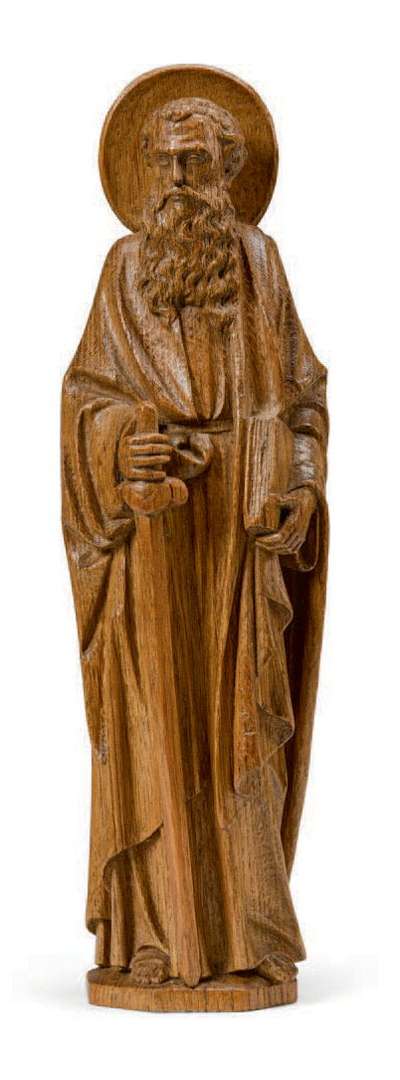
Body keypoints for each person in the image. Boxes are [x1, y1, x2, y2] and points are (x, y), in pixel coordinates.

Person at [62, 81, 328, 990]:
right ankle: (155, 937)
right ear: (142, 174)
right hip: (154, 540)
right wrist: (119, 446)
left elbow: (303, 396)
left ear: (229, 171)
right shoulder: (121, 270)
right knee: (151, 735)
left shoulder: (260, 263)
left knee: (243, 739)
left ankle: (245, 937)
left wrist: (300, 480)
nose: (178, 180)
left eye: (197, 162)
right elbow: (84, 397)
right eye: (164, 163)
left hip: (237, 542)